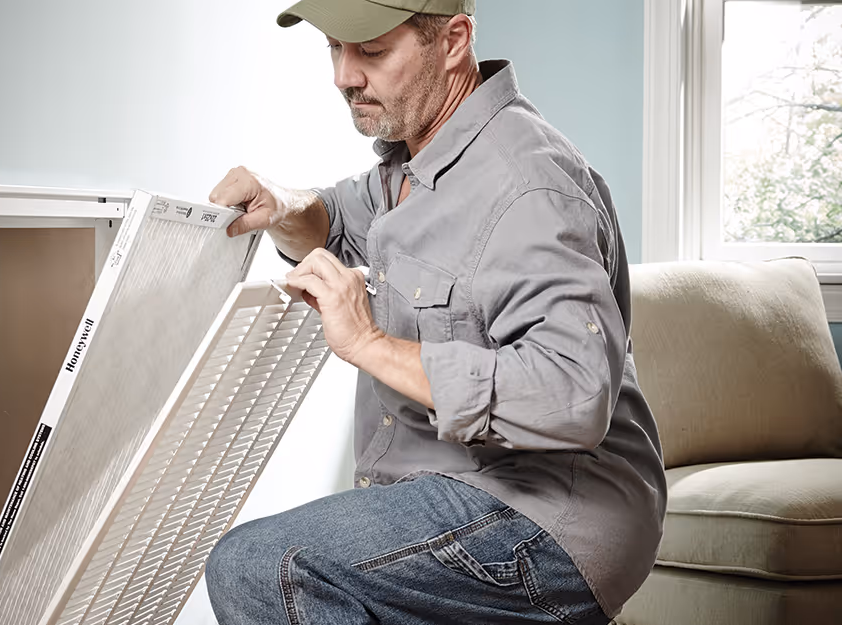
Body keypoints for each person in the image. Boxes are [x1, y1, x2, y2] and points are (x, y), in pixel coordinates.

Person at [204, 1, 666, 623]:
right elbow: (338, 219)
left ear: (453, 41)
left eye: (370, 51)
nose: (344, 75)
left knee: (262, 565)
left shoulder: (525, 187)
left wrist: (369, 343)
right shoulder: (417, 161)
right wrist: (281, 205)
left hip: (553, 516)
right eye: (335, 48)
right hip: (461, 491)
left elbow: (573, 395)